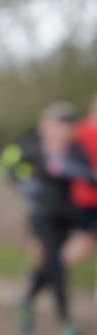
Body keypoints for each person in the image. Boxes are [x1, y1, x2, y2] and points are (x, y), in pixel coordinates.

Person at [2, 102, 97, 335]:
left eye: (67, 124)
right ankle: (65, 324)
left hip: (68, 215)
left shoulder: (75, 149)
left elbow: (90, 176)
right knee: (56, 264)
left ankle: (27, 298)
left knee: (54, 264)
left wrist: (74, 170)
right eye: (57, 123)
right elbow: (10, 164)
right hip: (41, 215)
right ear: (44, 125)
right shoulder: (31, 145)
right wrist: (27, 183)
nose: (62, 129)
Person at [65, 97, 97, 265]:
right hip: (85, 199)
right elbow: (69, 162)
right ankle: (45, 276)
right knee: (79, 245)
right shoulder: (79, 131)